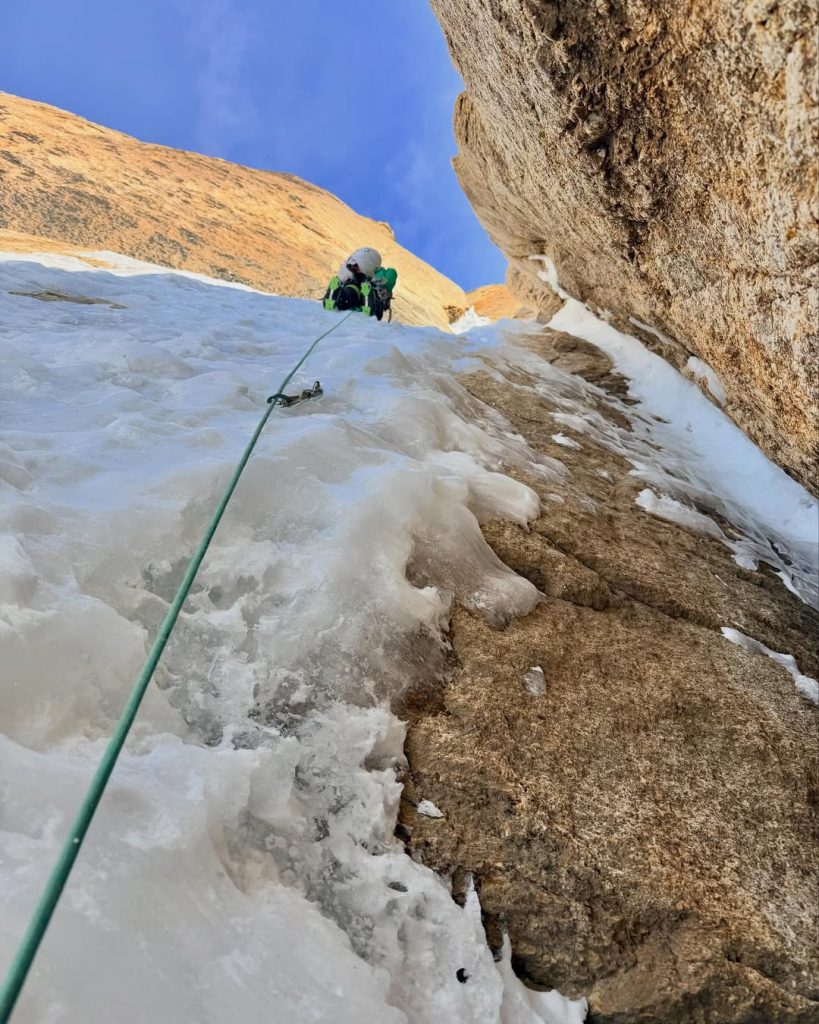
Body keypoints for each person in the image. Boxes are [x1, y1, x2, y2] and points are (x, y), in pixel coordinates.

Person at [322, 247, 398, 320]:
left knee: (349, 295)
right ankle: (368, 302)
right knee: (376, 307)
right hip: (369, 291)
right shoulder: (380, 273)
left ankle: (338, 298)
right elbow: (392, 273)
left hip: (352, 285)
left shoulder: (350, 270)